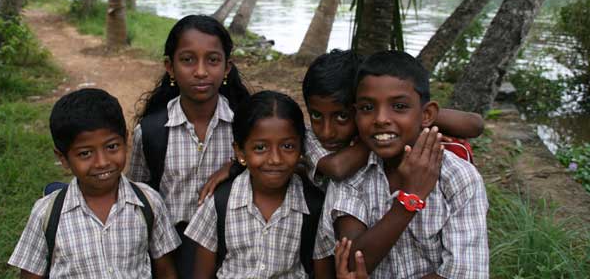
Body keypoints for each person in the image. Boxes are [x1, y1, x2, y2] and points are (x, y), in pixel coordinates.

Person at [323, 50, 489, 278]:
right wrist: (410, 198)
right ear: (356, 114)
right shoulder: (353, 177)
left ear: (427, 114)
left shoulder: (458, 177)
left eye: (399, 107)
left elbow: (466, 273)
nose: (381, 119)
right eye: (367, 108)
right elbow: (352, 263)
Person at [8, 88, 180, 278]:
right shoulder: (46, 214)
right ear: (63, 158)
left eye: (112, 147)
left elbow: (165, 270)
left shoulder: (149, 203)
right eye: (85, 153)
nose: (102, 162)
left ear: (126, 140)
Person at [128, 15, 250, 276]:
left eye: (213, 60)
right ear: (170, 67)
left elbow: (284, 159)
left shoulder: (247, 125)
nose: (201, 71)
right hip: (170, 250)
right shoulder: (150, 132)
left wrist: (235, 165)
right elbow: (137, 197)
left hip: (233, 248)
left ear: (227, 68)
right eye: (188, 60)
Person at [185, 91, 335, 278]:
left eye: (287, 146)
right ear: (240, 152)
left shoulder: (315, 206)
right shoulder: (219, 203)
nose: (275, 159)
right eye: (260, 148)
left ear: (301, 149)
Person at [302, 49, 484, 188]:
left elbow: (474, 125)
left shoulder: (394, 120)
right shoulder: (311, 139)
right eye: (316, 115)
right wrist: (382, 134)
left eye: (342, 117)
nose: (327, 131)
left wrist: (415, 119)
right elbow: (338, 168)